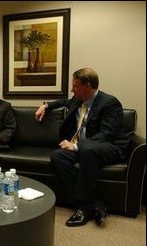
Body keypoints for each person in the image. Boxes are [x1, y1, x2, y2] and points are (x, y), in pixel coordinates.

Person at [35, 68, 129, 227]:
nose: (72, 89)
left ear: (88, 86)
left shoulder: (110, 103)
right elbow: (63, 102)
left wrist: (76, 146)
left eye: (75, 86)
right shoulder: (77, 99)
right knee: (57, 155)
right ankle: (95, 203)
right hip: (84, 148)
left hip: (110, 147)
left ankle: (85, 208)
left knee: (88, 150)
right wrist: (46, 106)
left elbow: (107, 134)